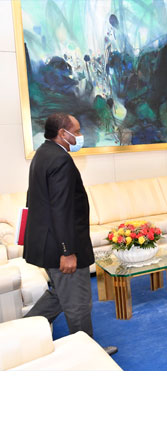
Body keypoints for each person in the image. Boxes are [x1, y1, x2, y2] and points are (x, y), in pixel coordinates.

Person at [23, 113, 116, 354]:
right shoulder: (60, 160)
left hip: (47, 244)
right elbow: (61, 209)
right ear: (63, 133)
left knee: (58, 295)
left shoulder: (43, 153)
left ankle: (21, 331)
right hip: (61, 247)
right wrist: (67, 251)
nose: (80, 134)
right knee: (78, 304)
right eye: (76, 130)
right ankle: (87, 354)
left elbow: (36, 200)